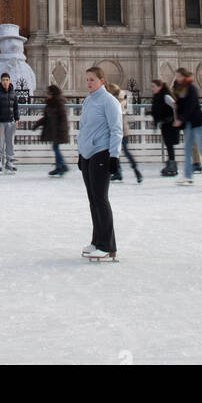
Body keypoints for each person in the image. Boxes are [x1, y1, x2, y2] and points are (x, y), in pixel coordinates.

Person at [77, 65, 123, 260]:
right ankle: (97, 240)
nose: (88, 83)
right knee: (93, 200)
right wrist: (81, 153)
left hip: (102, 153)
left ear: (102, 81)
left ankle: (107, 245)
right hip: (87, 155)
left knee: (101, 199)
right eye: (87, 79)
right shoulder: (88, 101)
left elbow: (116, 129)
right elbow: (85, 128)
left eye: (92, 80)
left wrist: (114, 156)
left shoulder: (109, 102)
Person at [174, 68, 202, 185]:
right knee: (187, 149)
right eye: (176, 76)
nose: (177, 78)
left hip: (197, 122)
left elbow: (191, 105)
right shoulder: (181, 89)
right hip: (188, 123)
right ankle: (188, 176)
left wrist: (181, 119)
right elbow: (180, 105)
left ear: (184, 76)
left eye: (179, 76)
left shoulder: (191, 88)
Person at [105, 83, 142, 183]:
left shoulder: (117, 100)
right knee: (117, 151)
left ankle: (133, 171)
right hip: (122, 130)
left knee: (119, 151)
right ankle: (120, 172)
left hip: (119, 130)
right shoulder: (121, 98)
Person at [33, 83, 69, 175]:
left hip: (58, 131)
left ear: (53, 94)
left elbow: (63, 118)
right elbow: (46, 118)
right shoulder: (50, 103)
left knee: (55, 147)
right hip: (54, 130)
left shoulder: (58, 103)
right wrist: (37, 124)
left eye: (48, 93)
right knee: (55, 148)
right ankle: (60, 166)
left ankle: (62, 166)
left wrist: (61, 130)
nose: (47, 95)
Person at [0, 71, 20, 173]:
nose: (5, 82)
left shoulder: (13, 93)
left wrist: (17, 119)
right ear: (1, 81)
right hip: (0, 123)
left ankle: (9, 161)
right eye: (3, 80)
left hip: (10, 122)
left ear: (9, 81)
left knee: (10, 142)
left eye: (7, 80)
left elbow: (15, 107)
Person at [150, 79, 179, 176]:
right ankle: (170, 163)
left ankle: (172, 164)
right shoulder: (158, 97)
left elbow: (175, 106)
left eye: (154, 86)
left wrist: (175, 119)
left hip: (169, 123)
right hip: (165, 124)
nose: (152, 88)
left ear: (160, 87)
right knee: (168, 144)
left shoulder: (165, 96)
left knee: (169, 144)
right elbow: (158, 110)